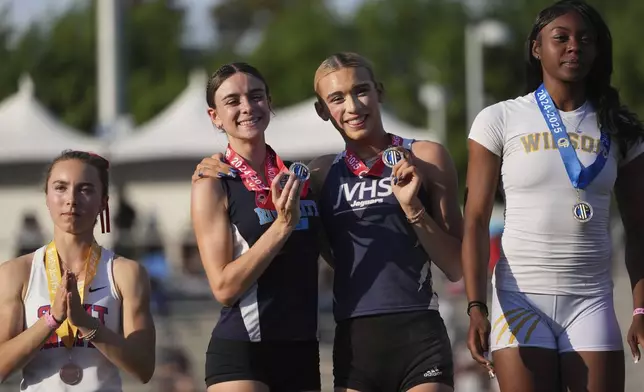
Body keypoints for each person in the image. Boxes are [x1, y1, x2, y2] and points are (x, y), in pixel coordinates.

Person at [193, 52, 463, 392]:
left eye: (361, 90)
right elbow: (226, 287)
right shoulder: (312, 175)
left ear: (379, 91)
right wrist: (213, 167)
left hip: (398, 336)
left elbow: (454, 266)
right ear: (322, 110)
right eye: (336, 98)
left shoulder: (307, 176)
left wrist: (414, 211)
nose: (352, 106)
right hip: (326, 345)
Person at [462, 1, 644, 391]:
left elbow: (639, 228)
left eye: (585, 40)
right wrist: (476, 306)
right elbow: (475, 220)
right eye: (560, 38)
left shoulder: (621, 127)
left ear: (597, 51)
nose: (573, 47)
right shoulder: (500, 118)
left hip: (591, 301)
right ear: (536, 48)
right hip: (520, 300)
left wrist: (641, 305)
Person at [191, 62, 322, 392]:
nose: (247, 107)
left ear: (269, 102)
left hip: (302, 349)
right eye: (232, 101)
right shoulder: (212, 183)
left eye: (256, 96)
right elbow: (223, 287)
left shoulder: (300, 177)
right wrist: (282, 227)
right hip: (242, 351)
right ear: (215, 117)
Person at [0, 150, 156, 391]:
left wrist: (86, 324)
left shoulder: (126, 273)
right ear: (47, 196)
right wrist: (51, 320)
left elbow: (144, 367)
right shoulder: (17, 272)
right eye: (60, 187)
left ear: (104, 201)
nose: (71, 199)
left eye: (85, 189)